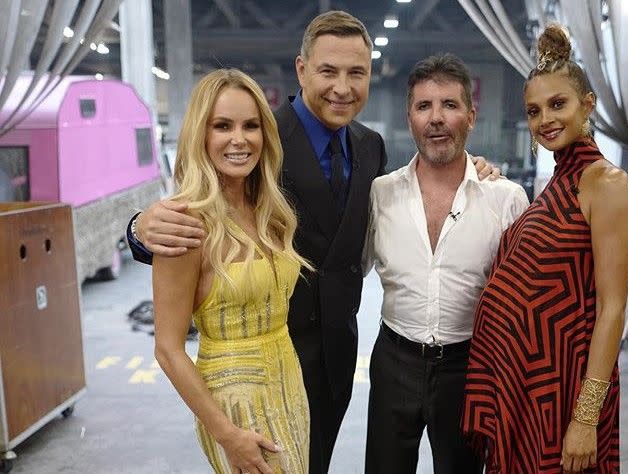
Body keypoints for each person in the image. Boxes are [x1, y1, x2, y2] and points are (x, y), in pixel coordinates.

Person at [127, 11, 497, 473]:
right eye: (328, 71)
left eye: (356, 73)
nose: (342, 87)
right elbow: (202, 208)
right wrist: (140, 229)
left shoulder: (369, 146)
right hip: (274, 350)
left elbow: (392, 210)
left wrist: (471, 173)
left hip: (339, 351)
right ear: (302, 69)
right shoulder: (261, 136)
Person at [462, 24, 628, 473]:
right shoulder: (559, 183)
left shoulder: (608, 184)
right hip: (523, 390)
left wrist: (585, 419)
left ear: (588, 105)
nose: (546, 119)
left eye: (557, 104)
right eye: (534, 110)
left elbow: (612, 309)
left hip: (562, 393)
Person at [362, 53, 529, 474]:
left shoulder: (505, 198)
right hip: (394, 360)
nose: (436, 118)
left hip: (469, 367)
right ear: (410, 118)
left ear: (471, 116)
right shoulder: (380, 194)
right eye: (424, 106)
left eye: (449, 105)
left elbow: (523, 303)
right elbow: (350, 268)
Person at [152, 69, 312, 474]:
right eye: (222, 126)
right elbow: (168, 349)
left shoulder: (270, 212)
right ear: (200, 136)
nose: (239, 139)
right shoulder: (185, 223)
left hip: (289, 380)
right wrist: (227, 434)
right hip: (234, 401)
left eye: (250, 126)